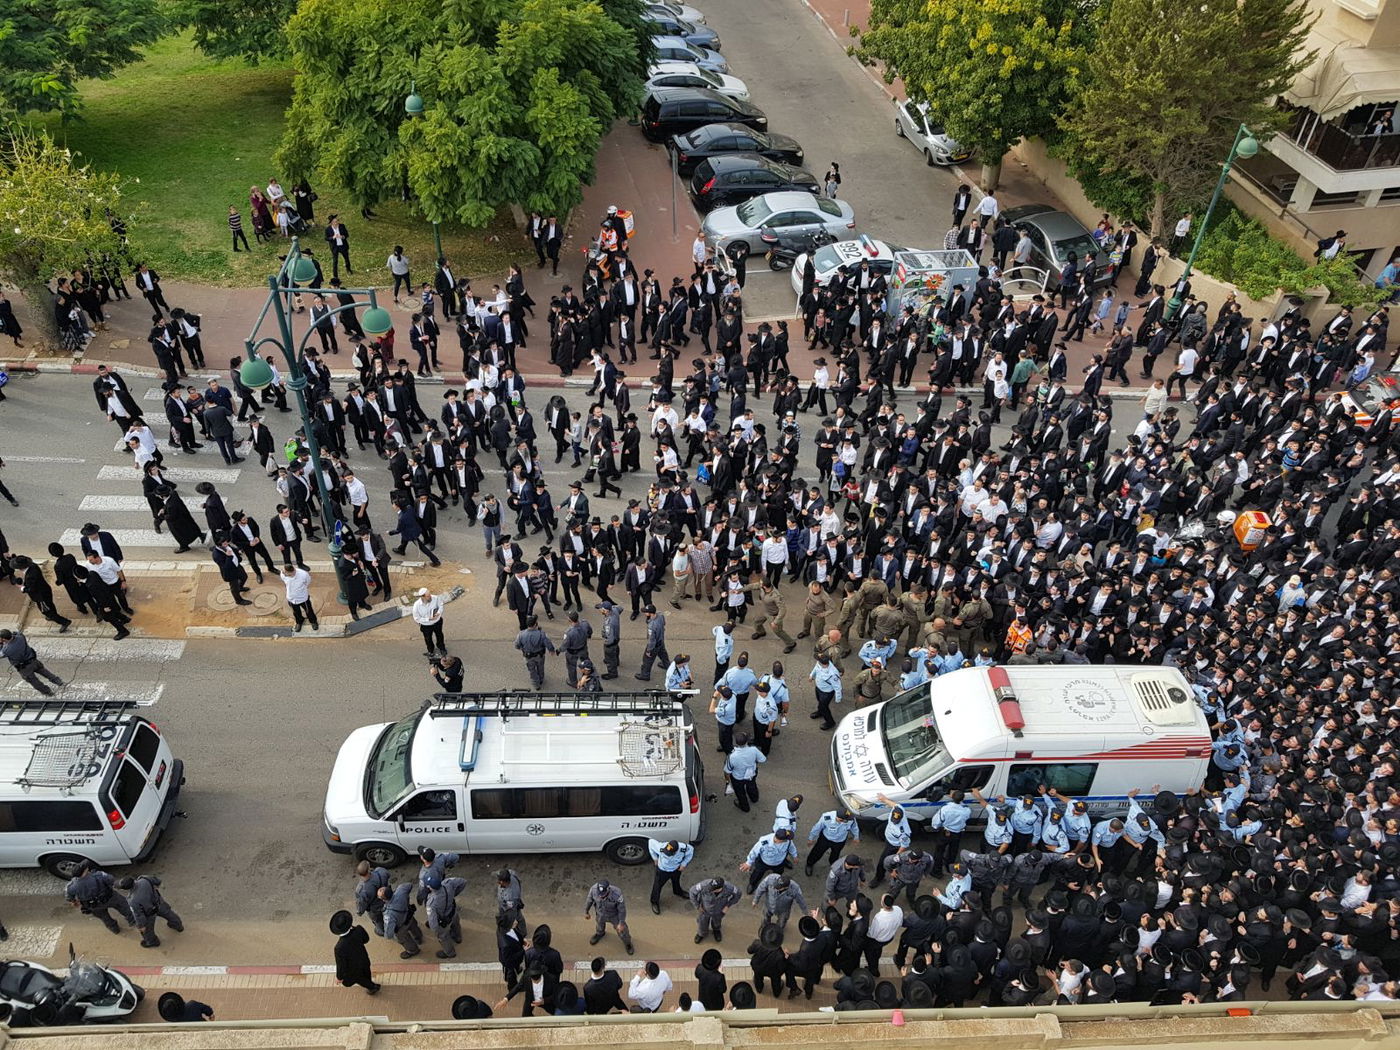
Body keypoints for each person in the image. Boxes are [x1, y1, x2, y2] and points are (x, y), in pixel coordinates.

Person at [65, 862, 136, 934]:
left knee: (105, 918)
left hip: (93, 906)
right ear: (85, 871)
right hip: (110, 898)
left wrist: (74, 902)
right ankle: (133, 921)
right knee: (124, 906)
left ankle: (114, 929)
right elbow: (112, 881)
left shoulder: (71, 886)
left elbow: (70, 898)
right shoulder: (99, 875)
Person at [118, 874, 183, 948]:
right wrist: (160, 885)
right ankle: (178, 926)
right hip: (159, 903)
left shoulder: (132, 900)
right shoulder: (144, 879)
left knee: (147, 932)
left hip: (149, 913)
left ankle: (153, 942)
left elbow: (138, 914)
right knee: (170, 914)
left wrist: (141, 926)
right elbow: (156, 881)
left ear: (126, 889)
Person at [0, 629, 64, 696]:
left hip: (24, 668)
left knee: (33, 681)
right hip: (33, 660)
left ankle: (47, 692)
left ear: (4, 639)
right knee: (44, 671)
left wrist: (1, 644)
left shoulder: (7, 650)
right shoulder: (21, 637)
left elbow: (1, 654)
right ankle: (58, 681)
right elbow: (17, 632)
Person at [330, 910, 380, 994]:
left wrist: (339, 977)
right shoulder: (358, 929)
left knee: (358, 978)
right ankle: (370, 983)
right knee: (366, 971)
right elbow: (366, 939)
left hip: (352, 969)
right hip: (364, 958)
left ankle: (372, 987)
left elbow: (341, 965)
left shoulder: (339, 947)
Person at [584, 878, 634, 954]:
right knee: (599, 925)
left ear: (608, 890)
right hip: (600, 913)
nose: (601, 897)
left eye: (603, 895)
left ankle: (628, 943)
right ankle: (600, 933)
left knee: (623, 931)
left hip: (614, 915)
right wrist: (586, 911)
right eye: (599, 895)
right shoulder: (593, 889)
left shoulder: (617, 893)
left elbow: (622, 909)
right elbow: (589, 900)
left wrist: (621, 922)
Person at [689, 876, 741, 944]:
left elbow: (738, 893)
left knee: (717, 921)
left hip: (719, 909)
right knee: (702, 922)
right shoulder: (704, 885)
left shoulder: (729, 888)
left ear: (720, 888)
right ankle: (701, 933)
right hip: (704, 909)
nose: (710, 889)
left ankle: (716, 930)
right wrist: (698, 906)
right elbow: (692, 892)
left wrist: (727, 906)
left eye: (713, 889)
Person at [514, 614, 557, 688]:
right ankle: (541, 679)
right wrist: (551, 650)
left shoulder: (521, 634)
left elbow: (517, 645)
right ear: (535, 624)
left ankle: (536, 684)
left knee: (532, 670)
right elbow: (548, 643)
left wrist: (522, 648)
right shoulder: (541, 634)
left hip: (528, 657)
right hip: (539, 656)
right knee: (540, 667)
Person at [280, 563, 318, 632]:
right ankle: (299, 621)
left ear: (292, 572)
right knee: (296, 612)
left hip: (303, 598)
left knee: (309, 611)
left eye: (286, 573)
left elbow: (308, 582)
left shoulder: (303, 574)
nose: (283, 573)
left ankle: (313, 621)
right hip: (291, 598)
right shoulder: (283, 574)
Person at [413, 587, 446, 656]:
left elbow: (441, 605)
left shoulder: (435, 598)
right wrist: (428, 619)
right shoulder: (417, 606)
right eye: (428, 596)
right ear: (422, 597)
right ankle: (430, 650)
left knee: (439, 635)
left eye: (430, 594)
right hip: (426, 625)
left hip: (437, 622)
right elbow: (417, 618)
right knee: (428, 639)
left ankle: (441, 648)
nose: (430, 597)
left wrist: (439, 612)